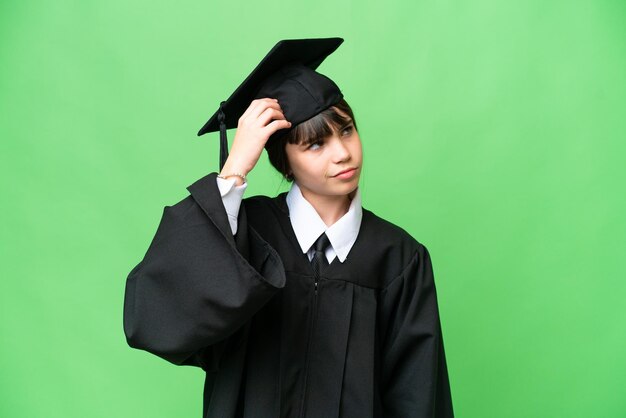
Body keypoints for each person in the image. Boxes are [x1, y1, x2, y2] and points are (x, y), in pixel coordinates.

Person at [123, 38, 454, 417]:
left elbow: (418, 397)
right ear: (285, 163)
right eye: (316, 144)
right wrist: (233, 172)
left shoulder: (399, 258)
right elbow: (154, 319)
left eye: (346, 130)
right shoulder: (245, 235)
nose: (342, 152)